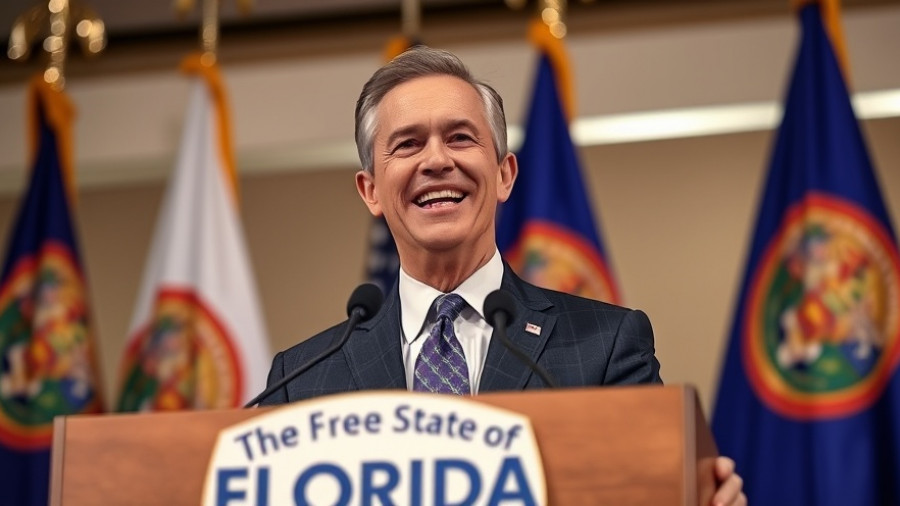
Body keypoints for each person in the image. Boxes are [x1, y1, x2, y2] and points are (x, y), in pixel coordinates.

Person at [262, 45, 745, 506]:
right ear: (370, 190)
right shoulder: (302, 378)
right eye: (408, 144)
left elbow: (651, 487)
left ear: (505, 175)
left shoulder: (606, 343)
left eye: (460, 138)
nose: (436, 160)